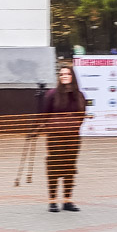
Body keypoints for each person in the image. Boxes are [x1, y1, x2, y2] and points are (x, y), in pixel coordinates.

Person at [39, 65, 87, 213]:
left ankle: (67, 200)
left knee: (70, 167)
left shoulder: (79, 96)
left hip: (73, 138)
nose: (64, 76)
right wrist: (54, 128)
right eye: (61, 74)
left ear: (72, 76)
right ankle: (52, 200)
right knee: (54, 167)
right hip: (55, 138)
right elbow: (44, 115)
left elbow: (82, 116)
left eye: (67, 74)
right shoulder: (52, 95)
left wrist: (71, 127)